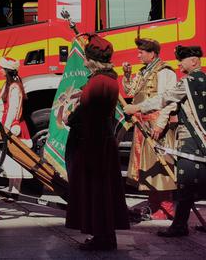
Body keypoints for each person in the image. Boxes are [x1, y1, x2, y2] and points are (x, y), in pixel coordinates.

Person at [125, 45, 206, 237]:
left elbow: (164, 99)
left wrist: (137, 107)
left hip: (192, 140)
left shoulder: (187, 82)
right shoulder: (204, 80)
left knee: (186, 185)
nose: (179, 63)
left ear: (193, 61)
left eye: (182, 60)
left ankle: (179, 226)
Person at [65, 35, 129, 250]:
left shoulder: (98, 82)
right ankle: (104, 236)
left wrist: (69, 117)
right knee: (103, 190)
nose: (83, 61)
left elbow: (86, 112)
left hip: (93, 142)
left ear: (92, 60)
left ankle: (103, 238)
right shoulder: (108, 79)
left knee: (97, 191)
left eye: (85, 58)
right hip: (101, 140)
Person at [122, 37, 177, 219]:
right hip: (143, 123)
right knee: (148, 167)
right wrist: (128, 75)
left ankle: (167, 207)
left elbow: (168, 100)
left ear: (152, 53)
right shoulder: (145, 71)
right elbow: (131, 92)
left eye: (141, 52)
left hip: (155, 123)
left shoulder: (164, 71)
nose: (138, 55)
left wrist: (161, 124)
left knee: (161, 166)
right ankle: (154, 205)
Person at [0, 57, 32, 195]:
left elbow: (14, 109)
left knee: (15, 159)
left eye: (2, 68)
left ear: (7, 71)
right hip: (6, 123)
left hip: (13, 125)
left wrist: (6, 127)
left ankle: (16, 190)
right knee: (9, 158)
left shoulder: (14, 87)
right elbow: (2, 108)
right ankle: (11, 188)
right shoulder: (7, 85)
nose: (0, 70)